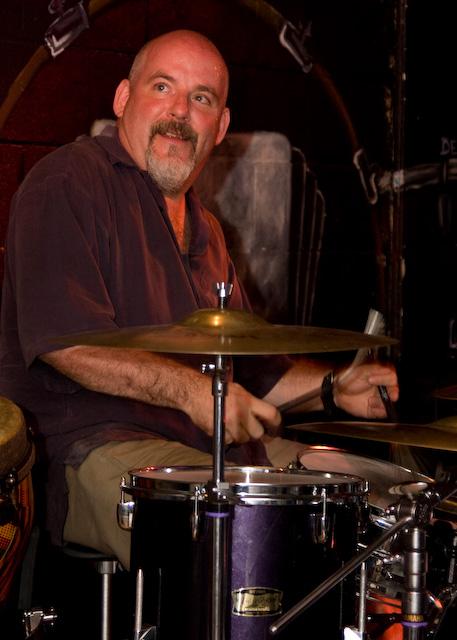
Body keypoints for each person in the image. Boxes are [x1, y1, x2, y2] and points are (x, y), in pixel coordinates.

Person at [0, 30, 398, 570]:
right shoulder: (68, 181)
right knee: (241, 529)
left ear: (221, 126)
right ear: (123, 98)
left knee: (377, 497)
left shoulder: (206, 229)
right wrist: (196, 393)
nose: (179, 112)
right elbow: (64, 345)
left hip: (212, 452)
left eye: (201, 98)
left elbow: (255, 380)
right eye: (162, 87)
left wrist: (334, 387)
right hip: (95, 448)